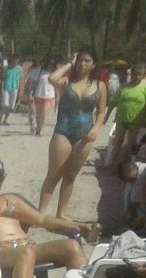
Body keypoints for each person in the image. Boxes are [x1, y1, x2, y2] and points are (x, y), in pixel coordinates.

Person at [38, 52, 108, 219]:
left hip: (85, 134)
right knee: (53, 175)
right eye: (80, 60)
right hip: (63, 131)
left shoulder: (100, 86)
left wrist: (96, 128)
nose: (82, 63)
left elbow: (101, 111)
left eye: (87, 61)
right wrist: (69, 64)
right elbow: (52, 79)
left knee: (70, 176)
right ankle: (40, 213)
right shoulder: (66, 81)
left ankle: (61, 212)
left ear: (94, 64)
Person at [109, 63, 146, 172]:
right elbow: (113, 102)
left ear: (143, 75)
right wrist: (106, 116)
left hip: (135, 122)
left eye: (140, 74)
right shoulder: (123, 87)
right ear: (132, 73)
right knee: (117, 143)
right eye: (136, 73)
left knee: (129, 145)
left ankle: (116, 167)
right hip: (121, 119)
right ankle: (111, 164)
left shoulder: (145, 89)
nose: (137, 76)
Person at [31, 56, 57, 136]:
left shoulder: (55, 73)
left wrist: (57, 97)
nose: (50, 65)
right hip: (38, 94)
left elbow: (56, 86)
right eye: (49, 63)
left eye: (52, 64)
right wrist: (30, 93)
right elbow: (33, 83)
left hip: (49, 95)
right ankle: (38, 128)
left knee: (44, 114)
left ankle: (41, 129)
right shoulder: (39, 72)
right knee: (38, 114)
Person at [0, 56, 23, 125]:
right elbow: (2, 78)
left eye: (17, 60)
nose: (16, 62)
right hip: (6, 88)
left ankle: (5, 119)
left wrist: (20, 89)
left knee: (11, 106)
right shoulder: (6, 68)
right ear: (12, 60)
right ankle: (0, 120)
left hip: (15, 88)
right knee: (5, 105)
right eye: (14, 60)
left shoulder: (20, 69)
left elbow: (20, 79)